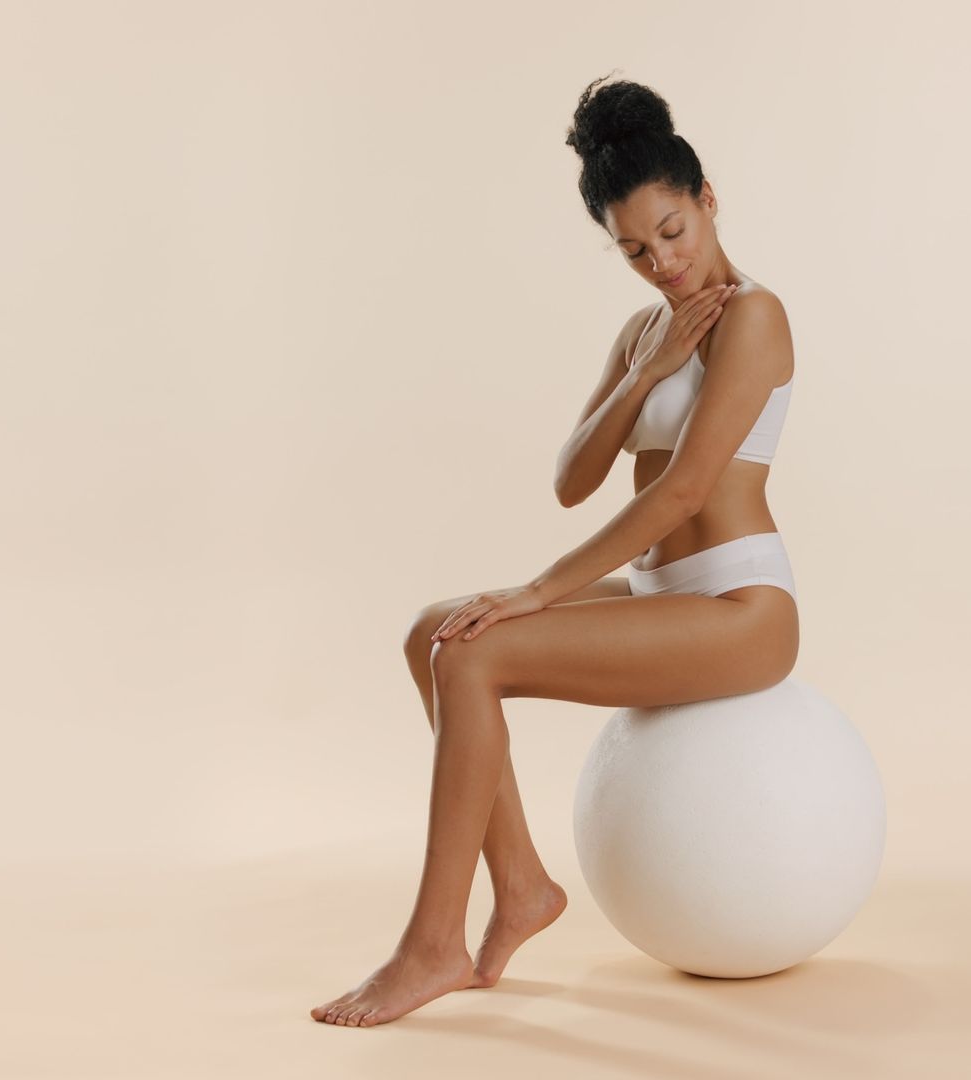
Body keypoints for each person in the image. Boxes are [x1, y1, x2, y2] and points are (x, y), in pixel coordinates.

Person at [312, 74, 800, 1027]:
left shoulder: (755, 315)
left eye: (672, 232)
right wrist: (647, 368)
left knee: (478, 647)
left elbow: (686, 491)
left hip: (741, 608)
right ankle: (524, 888)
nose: (661, 263)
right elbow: (573, 478)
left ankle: (434, 945)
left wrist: (539, 590)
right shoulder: (647, 329)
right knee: (432, 634)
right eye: (633, 251)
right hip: (669, 592)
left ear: (706, 200)